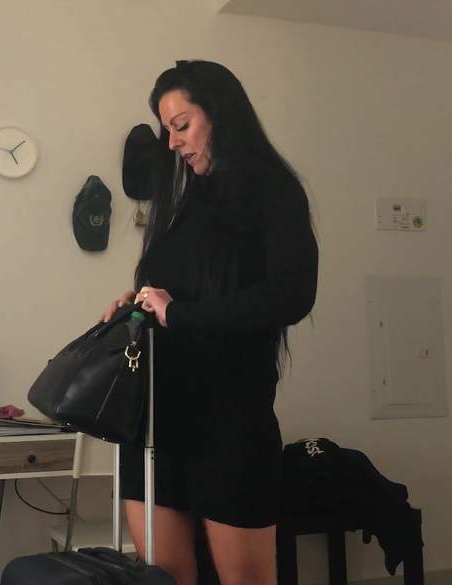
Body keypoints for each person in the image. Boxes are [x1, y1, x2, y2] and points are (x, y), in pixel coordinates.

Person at [101, 60, 318, 585]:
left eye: (182, 125)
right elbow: (179, 292)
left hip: (229, 421)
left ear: (220, 114)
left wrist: (179, 312)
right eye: (166, 129)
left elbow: (292, 295)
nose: (172, 142)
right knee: (164, 580)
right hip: (154, 421)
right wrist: (138, 304)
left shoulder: (274, 191)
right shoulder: (187, 201)